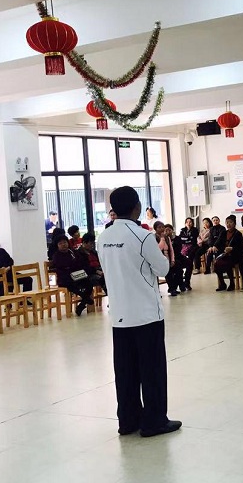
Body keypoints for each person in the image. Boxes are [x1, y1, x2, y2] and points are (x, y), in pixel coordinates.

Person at [97, 186, 180, 439]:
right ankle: (154, 421)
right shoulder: (143, 236)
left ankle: (128, 420)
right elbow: (162, 269)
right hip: (145, 314)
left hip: (119, 315)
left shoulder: (104, 237)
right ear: (137, 207)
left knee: (125, 371)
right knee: (151, 370)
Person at [51, 235, 95, 315]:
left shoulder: (72, 252)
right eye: (60, 243)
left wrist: (73, 266)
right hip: (65, 278)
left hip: (76, 276)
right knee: (71, 284)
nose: (63, 244)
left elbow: (79, 262)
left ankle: (82, 305)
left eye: (65, 242)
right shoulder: (56, 256)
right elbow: (63, 266)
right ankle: (85, 298)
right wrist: (72, 266)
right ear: (57, 245)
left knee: (89, 283)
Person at [212, 215, 243, 291]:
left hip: (234, 255)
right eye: (227, 222)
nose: (228, 224)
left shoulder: (238, 234)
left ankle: (232, 283)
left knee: (227, 263)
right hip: (225, 254)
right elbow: (218, 242)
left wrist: (232, 248)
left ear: (234, 223)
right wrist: (214, 246)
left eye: (230, 222)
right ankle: (222, 284)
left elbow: (240, 248)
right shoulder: (223, 233)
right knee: (216, 264)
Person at [169, 224, 193, 293]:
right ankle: (180, 285)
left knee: (189, 262)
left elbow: (179, 249)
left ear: (172, 230)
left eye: (169, 230)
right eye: (166, 230)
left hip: (178, 256)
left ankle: (187, 282)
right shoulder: (164, 239)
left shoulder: (177, 238)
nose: (168, 232)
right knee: (178, 267)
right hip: (170, 258)